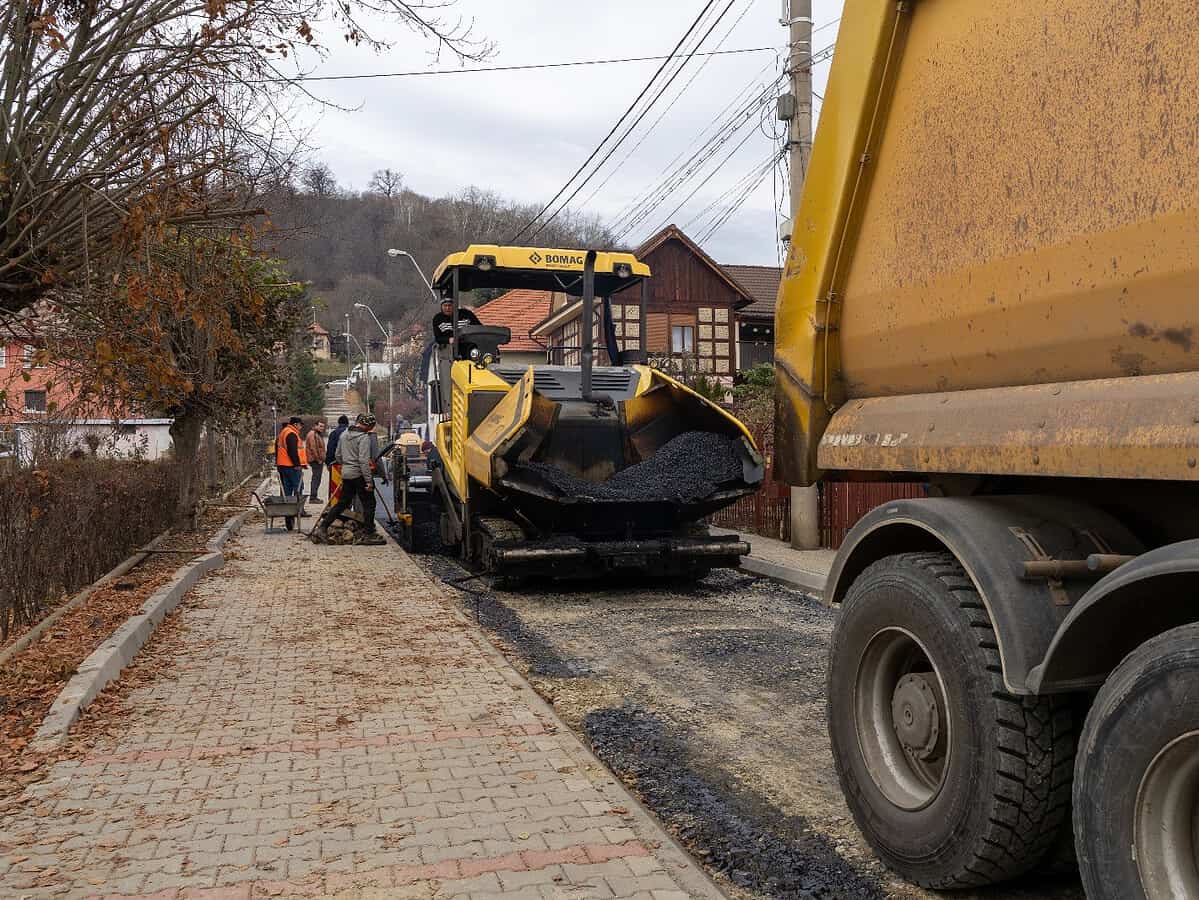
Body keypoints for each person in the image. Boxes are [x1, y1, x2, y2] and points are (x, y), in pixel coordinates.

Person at [311, 413, 386, 545]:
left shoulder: (344, 434)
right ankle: (368, 534)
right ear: (368, 425)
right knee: (369, 503)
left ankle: (322, 528)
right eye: (371, 427)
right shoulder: (363, 438)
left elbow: (338, 455)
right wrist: (368, 481)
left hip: (346, 474)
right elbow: (363, 461)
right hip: (359, 475)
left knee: (342, 503)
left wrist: (347, 464)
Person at [275, 416, 307, 530]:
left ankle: (288, 516)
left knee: (287, 491)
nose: (301, 427)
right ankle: (297, 511)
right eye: (300, 425)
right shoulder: (291, 434)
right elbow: (292, 451)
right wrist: (297, 464)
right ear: (296, 424)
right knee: (298, 488)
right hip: (292, 467)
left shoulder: (283, 432)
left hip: (283, 466)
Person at [325, 414, 350, 506]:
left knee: (334, 487)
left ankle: (333, 505)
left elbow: (330, 449)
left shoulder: (334, 433)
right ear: (347, 423)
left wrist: (328, 463)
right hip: (348, 464)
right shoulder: (350, 433)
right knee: (348, 487)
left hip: (335, 464)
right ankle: (347, 506)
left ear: (338, 423)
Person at [305, 421, 327, 503]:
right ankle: (313, 497)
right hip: (315, 460)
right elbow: (314, 448)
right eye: (320, 426)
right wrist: (318, 459)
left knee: (317, 478)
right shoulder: (313, 434)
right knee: (316, 478)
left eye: (323, 426)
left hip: (316, 459)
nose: (322, 428)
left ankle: (314, 496)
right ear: (315, 426)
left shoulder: (316, 434)